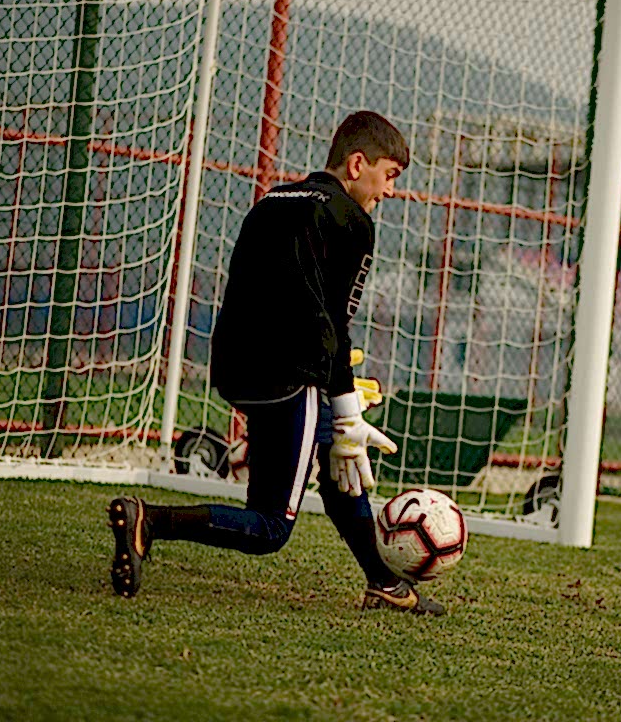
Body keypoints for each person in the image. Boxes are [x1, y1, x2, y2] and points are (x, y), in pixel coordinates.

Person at [107, 111, 444, 615]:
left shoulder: (272, 200)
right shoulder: (352, 220)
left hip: (237, 367)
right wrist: (346, 404)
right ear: (358, 165)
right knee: (269, 528)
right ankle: (149, 521)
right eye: (389, 175)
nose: (390, 191)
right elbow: (331, 320)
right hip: (289, 378)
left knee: (339, 468)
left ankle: (384, 582)